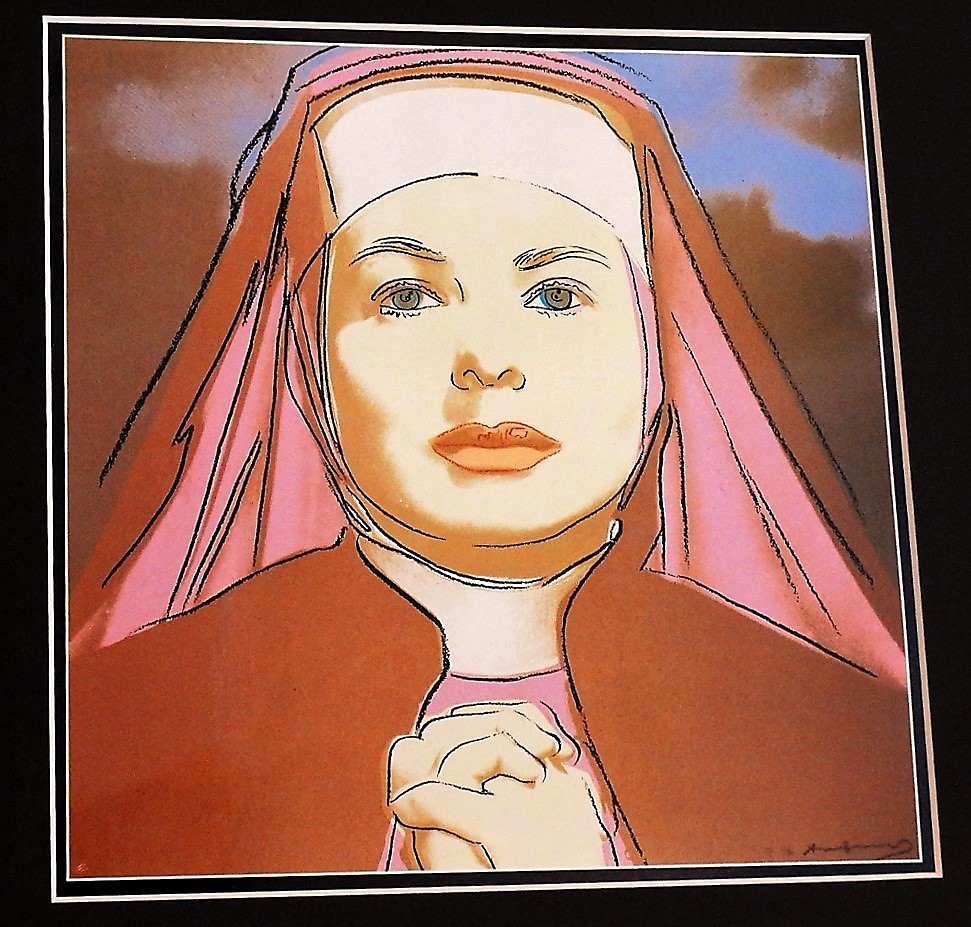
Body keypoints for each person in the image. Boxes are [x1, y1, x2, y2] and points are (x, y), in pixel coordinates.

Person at [68, 46, 917, 877]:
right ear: (302, 351)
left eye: (557, 295)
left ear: (661, 340)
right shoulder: (110, 719)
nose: (488, 360)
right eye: (405, 296)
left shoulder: (855, 732)